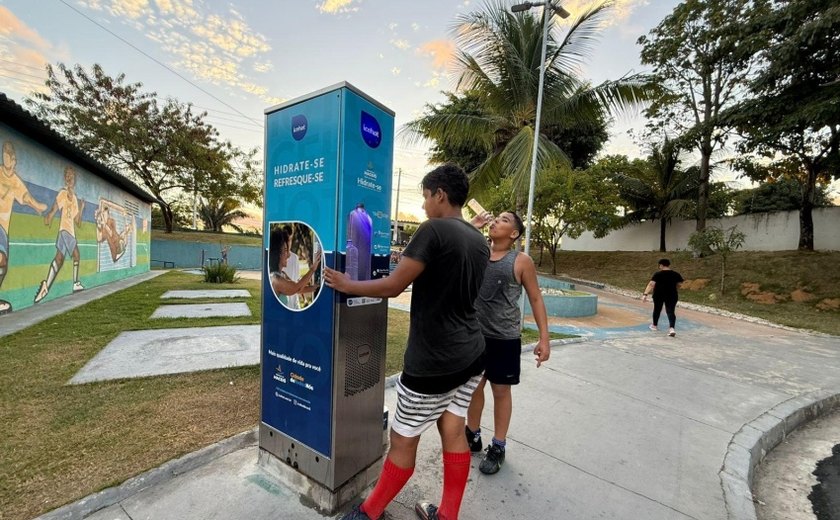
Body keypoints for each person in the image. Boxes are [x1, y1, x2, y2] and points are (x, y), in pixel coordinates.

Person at [324, 163, 489, 520]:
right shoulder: (478, 240)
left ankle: (368, 513)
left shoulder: (433, 231)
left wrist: (347, 284)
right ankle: (446, 515)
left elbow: (394, 285)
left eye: (426, 198)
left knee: (402, 443)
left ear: (440, 195)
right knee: (453, 429)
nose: (425, 206)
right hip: (472, 356)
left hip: (433, 362)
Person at [465, 210, 551, 476]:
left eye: (503, 220)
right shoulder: (477, 250)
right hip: (474, 335)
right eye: (496, 218)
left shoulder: (521, 260)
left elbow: (536, 298)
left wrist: (544, 338)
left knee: (501, 391)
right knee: (473, 386)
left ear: (514, 234)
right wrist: (472, 226)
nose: (496, 222)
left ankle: (498, 445)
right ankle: (473, 433)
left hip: (504, 338)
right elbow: (453, 245)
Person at [0, 141, 48, 314]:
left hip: (4, 229)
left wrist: (38, 207)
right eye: (4, 156)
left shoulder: (15, 181)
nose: (6, 160)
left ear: (14, 161)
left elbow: (26, 197)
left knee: (3, 263)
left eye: (8, 157)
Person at [35, 166, 85, 304]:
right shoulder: (63, 193)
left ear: (74, 180)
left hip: (69, 231)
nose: (69, 178)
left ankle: (46, 285)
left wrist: (81, 209)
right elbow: (55, 207)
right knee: (76, 255)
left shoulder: (74, 198)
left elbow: (78, 222)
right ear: (65, 178)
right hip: (65, 230)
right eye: (67, 176)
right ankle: (75, 283)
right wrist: (49, 217)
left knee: (59, 259)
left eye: (71, 176)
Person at [268, 226, 320, 308]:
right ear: (278, 254)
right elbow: (297, 288)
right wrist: (313, 269)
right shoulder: (276, 279)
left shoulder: (282, 274)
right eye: (285, 250)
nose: (288, 255)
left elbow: (299, 288)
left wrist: (316, 287)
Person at [642, 258, 684, 337]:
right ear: (668, 265)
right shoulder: (676, 274)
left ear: (661, 265)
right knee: (671, 311)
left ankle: (654, 325)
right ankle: (672, 328)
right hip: (672, 295)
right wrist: (675, 289)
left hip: (659, 295)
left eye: (659, 265)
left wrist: (645, 294)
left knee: (657, 309)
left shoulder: (658, 274)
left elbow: (651, 284)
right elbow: (680, 284)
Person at [280, 224, 300, 309]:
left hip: (294, 305)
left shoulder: (295, 258)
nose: (289, 243)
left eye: (290, 240)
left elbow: (297, 282)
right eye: (286, 240)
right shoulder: (278, 258)